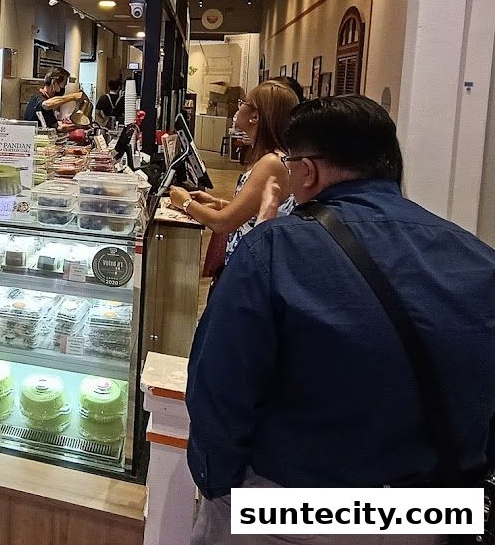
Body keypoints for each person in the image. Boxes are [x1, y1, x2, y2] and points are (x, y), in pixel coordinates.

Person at [187, 97, 495, 545]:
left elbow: (218, 388)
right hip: (434, 514)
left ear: (307, 172)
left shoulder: (273, 250)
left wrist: (220, 488)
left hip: (295, 509)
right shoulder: (477, 257)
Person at [169, 80, 298, 269]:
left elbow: (222, 224)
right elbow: (254, 212)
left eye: (243, 103)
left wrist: (185, 202)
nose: (239, 108)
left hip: (251, 270)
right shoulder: (274, 158)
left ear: (255, 116)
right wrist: (219, 203)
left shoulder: (271, 163)